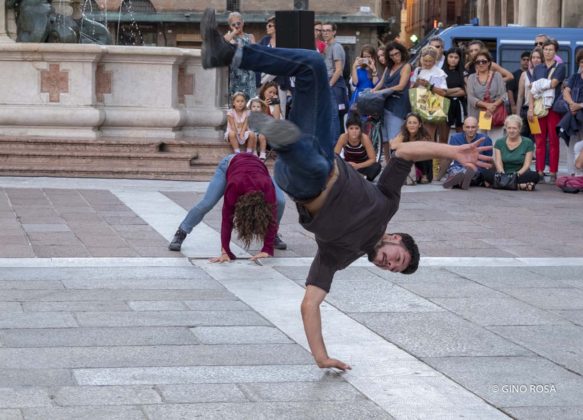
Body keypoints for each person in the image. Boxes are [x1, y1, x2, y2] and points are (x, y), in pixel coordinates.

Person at [200, 8, 492, 370]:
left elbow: (309, 304)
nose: (388, 265)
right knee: (311, 65)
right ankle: (229, 54)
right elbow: (403, 152)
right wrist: (453, 150)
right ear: (397, 238)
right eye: (396, 260)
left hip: (305, 182)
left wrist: (321, 357)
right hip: (324, 150)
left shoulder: (338, 255)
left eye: (392, 270)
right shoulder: (387, 204)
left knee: (307, 157)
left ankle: (278, 133)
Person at [168, 153, 288, 254]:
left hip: (256, 167)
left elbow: (272, 210)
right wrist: (225, 250)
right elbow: (227, 218)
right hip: (229, 165)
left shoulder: (266, 186)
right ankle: (181, 232)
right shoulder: (234, 187)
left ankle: (272, 235)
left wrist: (267, 248)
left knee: (280, 201)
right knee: (207, 203)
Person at [528, 38, 567, 183]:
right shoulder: (538, 68)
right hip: (538, 108)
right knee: (539, 140)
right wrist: (530, 108)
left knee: (553, 140)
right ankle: (539, 171)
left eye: (550, 49)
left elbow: (554, 83)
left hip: (553, 108)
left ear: (555, 51)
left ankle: (553, 172)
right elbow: (532, 90)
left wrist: (537, 85)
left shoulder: (560, 67)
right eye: (545, 49)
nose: (547, 52)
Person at [373, 41, 412, 158]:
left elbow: (401, 85)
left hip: (399, 105)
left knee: (395, 139)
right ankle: (388, 165)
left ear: (402, 52)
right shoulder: (389, 67)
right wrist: (373, 90)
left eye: (397, 53)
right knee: (385, 139)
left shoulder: (406, 66)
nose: (395, 57)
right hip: (386, 103)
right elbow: (381, 82)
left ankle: (397, 167)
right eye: (392, 55)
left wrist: (382, 91)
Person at [482, 115, 540, 191]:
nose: (511, 131)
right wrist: (503, 175)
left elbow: (527, 165)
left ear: (519, 129)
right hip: (503, 174)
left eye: (514, 128)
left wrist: (515, 175)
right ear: (505, 128)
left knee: (535, 176)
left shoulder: (528, 142)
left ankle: (499, 184)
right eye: (509, 128)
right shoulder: (499, 142)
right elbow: (498, 163)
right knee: (484, 173)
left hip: (520, 174)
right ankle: (519, 186)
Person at [437, 47, 467, 179]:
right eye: (451, 57)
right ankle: (441, 168)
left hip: (459, 105)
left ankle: (462, 164)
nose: (453, 60)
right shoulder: (440, 72)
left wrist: (448, 91)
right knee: (443, 138)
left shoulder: (463, 73)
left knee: (461, 136)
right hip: (444, 106)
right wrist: (455, 90)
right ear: (446, 58)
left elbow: (464, 91)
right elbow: (440, 91)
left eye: (456, 57)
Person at [466, 49, 507, 140]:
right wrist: (487, 105)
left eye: (484, 61)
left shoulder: (497, 76)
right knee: (479, 144)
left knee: (495, 143)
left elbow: (503, 95)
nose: (481, 64)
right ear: (475, 64)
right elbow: (471, 97)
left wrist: (492, 106)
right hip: (477, 115)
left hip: (495, 114)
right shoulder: (471, 78)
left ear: (489, 63)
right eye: (478, 62)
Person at [442, 116, 493, 189]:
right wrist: (437, 178)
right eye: (468, 127)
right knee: (455, 170)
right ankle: (460, 181)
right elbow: (449, 158)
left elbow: (488, 159)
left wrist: (488, 178)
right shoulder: (455, 138)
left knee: (474, 173)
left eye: (473, 127)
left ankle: (458, 182)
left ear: (477, 127)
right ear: (463, 128)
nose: (470, 130)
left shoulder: (485, 139)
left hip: (476, 170)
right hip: (458, 167)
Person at [334, 114, 381, 181]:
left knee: (376, 166)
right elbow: (335, 156)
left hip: (362, 165)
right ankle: (354, 176)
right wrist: (345, 165)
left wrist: (358, 166)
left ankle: (361, 177)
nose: (354, 131)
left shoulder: (364, 138)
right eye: (351, 128)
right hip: (348, 165)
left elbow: (372, 159)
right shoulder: (343, 137)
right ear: (347, 130)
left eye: (357, 128)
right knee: (334, 166)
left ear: (360, 130)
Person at [390, 113, 434, 184]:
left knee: (423, 151)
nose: (412, 125)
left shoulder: (424, 135)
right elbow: (393, 146)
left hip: (421, 164)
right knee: (396, 152)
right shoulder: (402, 134)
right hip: (407, 162)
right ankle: (407, 175)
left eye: (415, 123)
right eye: (409, 123)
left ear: (419, 125)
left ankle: (423, 175)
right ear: (406, 125)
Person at [559, 49, 583, 176]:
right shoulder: (575, 77)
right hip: (574, 115)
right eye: (581, 61)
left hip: (579, 112)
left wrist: (579, 105)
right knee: (572, 145)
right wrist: (572, 104)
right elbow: (566, 92)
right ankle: (573, 174)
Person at [223, 12, 256, 101]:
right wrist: (233, 32)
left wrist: (236, 45)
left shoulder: (250, 36)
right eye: (233, 24)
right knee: (236, 102)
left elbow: (254, 52)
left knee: (250, 102)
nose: (237, 26)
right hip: (236, 74)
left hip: (249, 73)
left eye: (238, 23)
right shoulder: (229, 37)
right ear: (230, 26)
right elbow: (222, 44)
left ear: (243, 23)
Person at [322, 22, 346, 139]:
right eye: (323, 30)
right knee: (330, 115)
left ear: (334, 32)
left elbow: (338, 69)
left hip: (334, 83)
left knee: (333, 115)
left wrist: (329, 84)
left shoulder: (336, 46)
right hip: (329, 82)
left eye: (328, 30)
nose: (325, 33)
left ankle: (335, 146)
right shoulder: (327, 46)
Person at [516, 48, 543, 139]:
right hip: (527, 110)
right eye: (533, 57)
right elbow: (520, 96)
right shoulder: (524, 75)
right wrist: (517, 115)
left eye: (538, 57)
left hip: (540, 110)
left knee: (536, 139)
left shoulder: (546, 73)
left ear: (542, 59)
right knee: (524, 138)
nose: (535, 60)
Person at [348, 44, 378, 111]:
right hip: (357, 98)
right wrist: (354, 67)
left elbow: (375, 84)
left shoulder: (377, 69)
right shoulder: (358, 69)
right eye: (364, 57)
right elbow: (355, 83)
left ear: (373, 57)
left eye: (369, 56)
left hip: (370, 99)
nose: (366, 59)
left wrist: (373, 69)